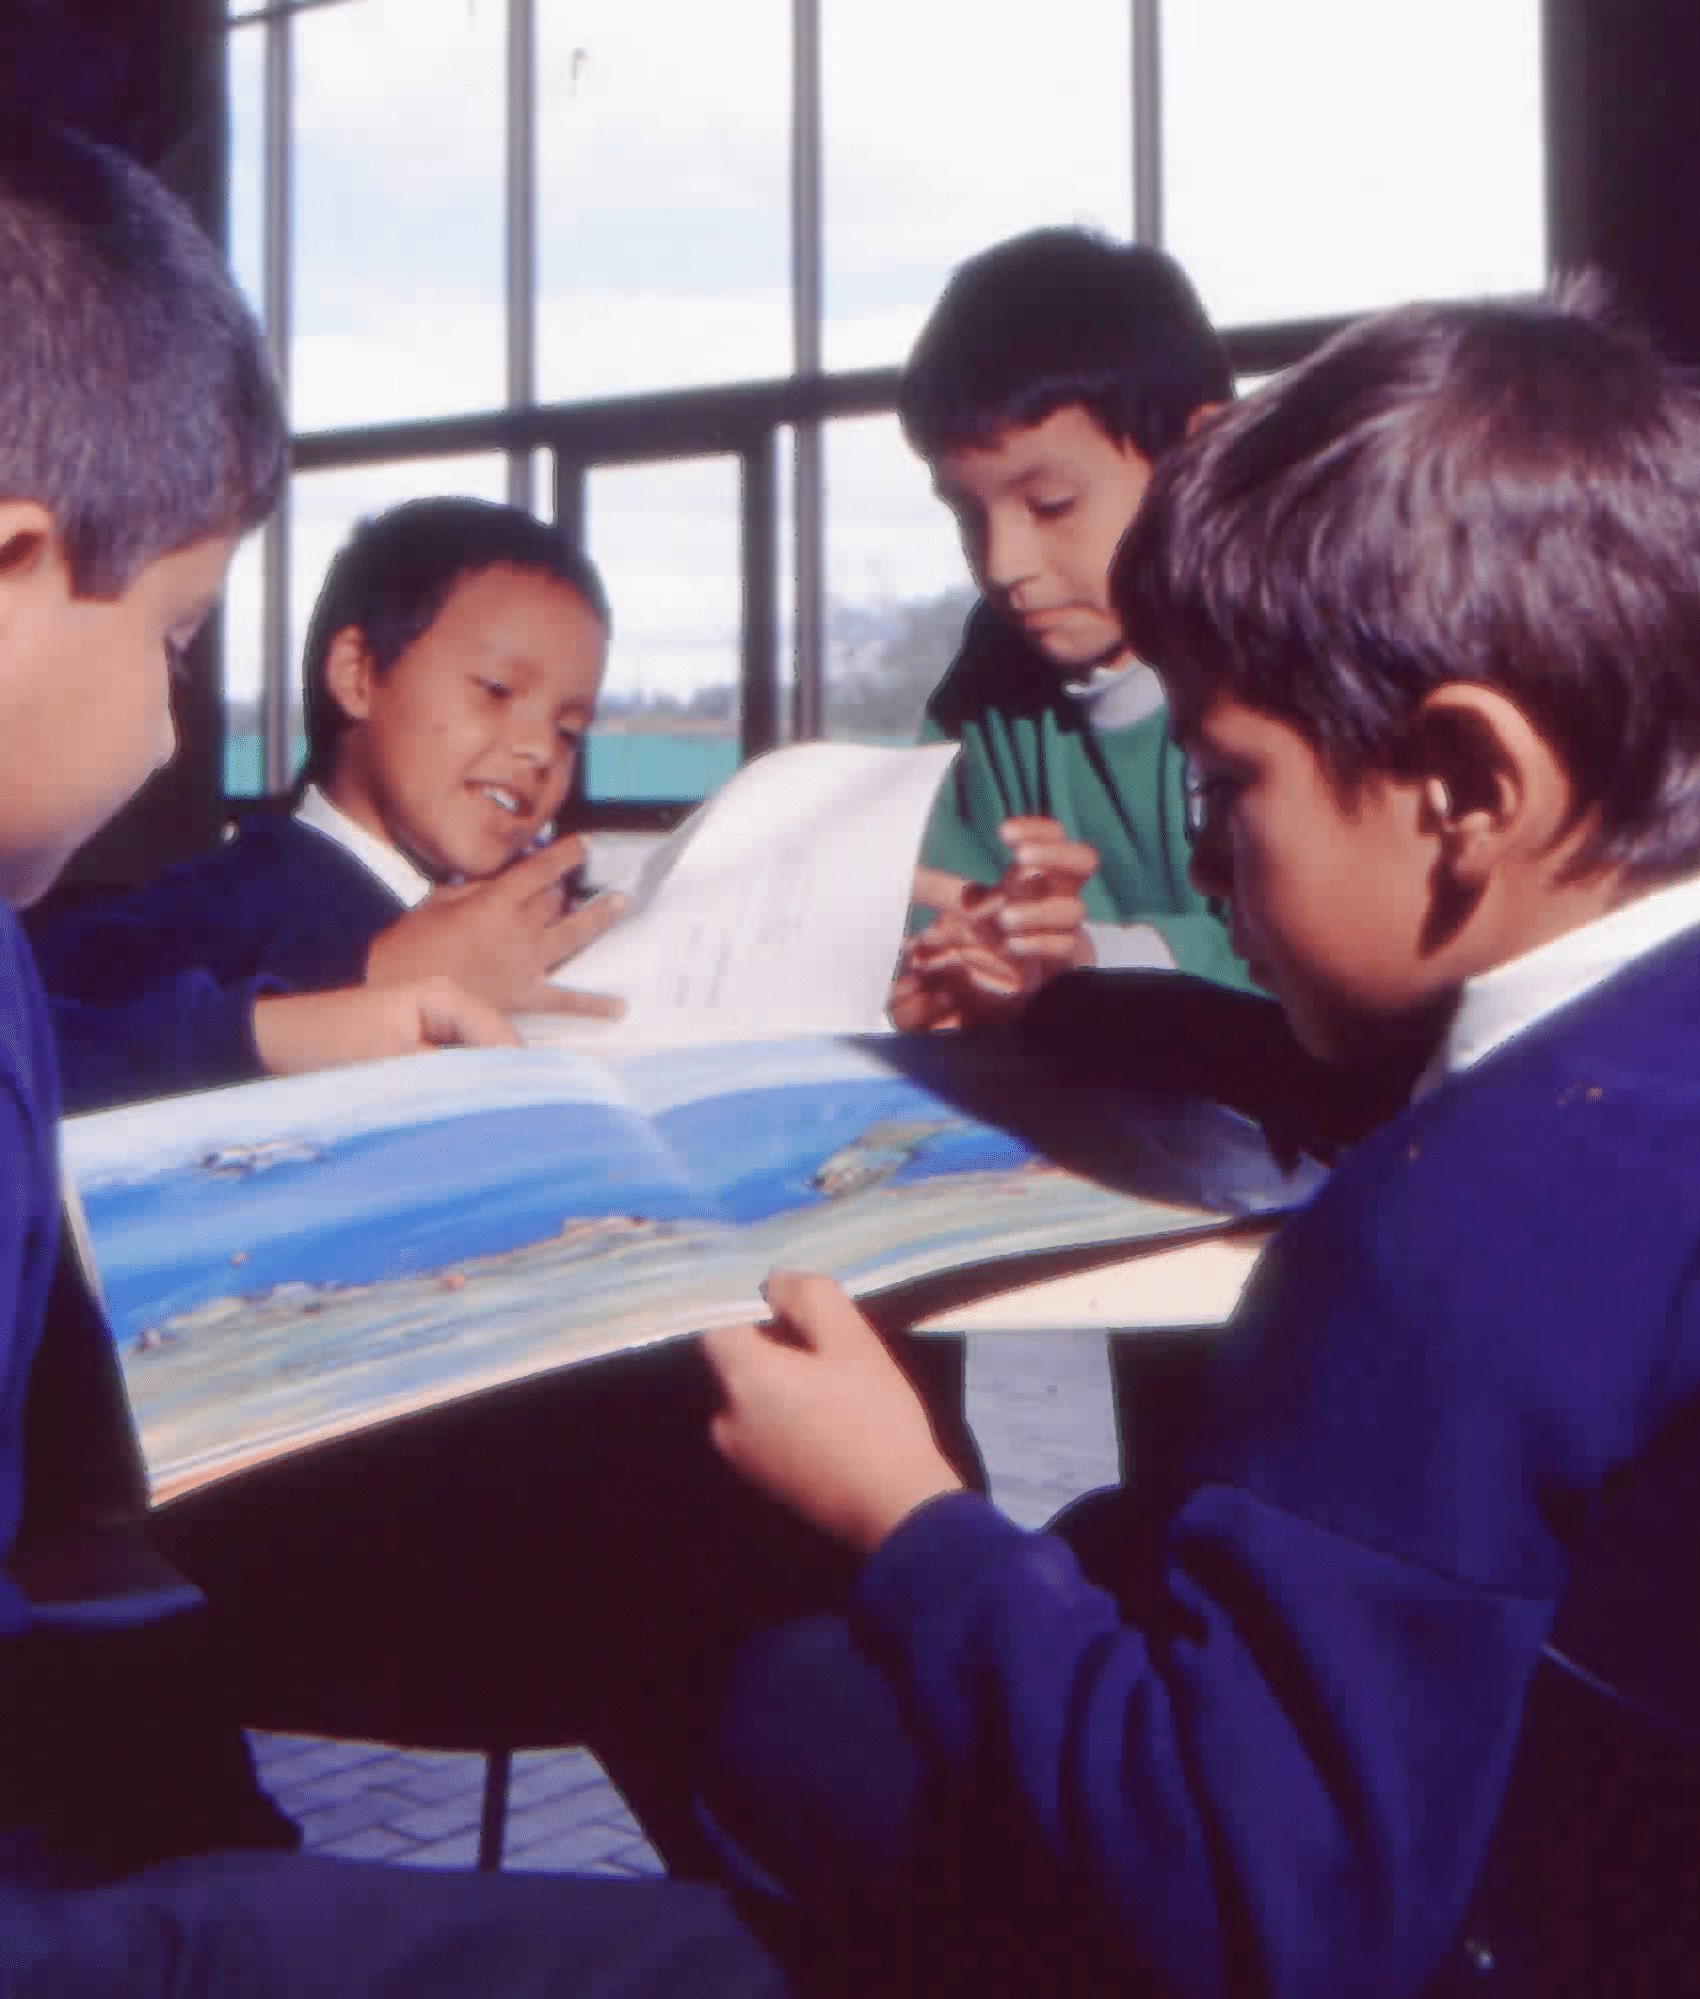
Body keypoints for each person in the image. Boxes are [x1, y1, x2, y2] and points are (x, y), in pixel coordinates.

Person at [696, 280, 1700, 1999]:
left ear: (1468, 786)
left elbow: (1259, 1909)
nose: (1219, 863)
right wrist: (1076, 1016)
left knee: (781, 1710)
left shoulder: (1435, 1239)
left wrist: (909, 1514)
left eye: (1233, 788)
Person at [0, 130, 802, 1992]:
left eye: (576, 721)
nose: (538, 751)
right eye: (182, 639)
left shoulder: (541, 916)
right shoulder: (191, 909)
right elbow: (89, 1024)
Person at [31, 496, 627, 1113]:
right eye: (497, 691)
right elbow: (45, 1028)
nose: (539, 749)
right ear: (358, 675)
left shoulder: (529, 922)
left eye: (569, 730)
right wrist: (370, 972)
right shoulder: (216, 905)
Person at [886, 226, 1251, 1034]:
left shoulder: (1289, 659)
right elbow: (928, 909)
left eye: (1051, 505)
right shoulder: (992, 675)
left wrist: (1088, 959)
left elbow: (1322, 961)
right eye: (966, 514)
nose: (1005, 563)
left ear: (1198, 460)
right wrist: (966, 959)